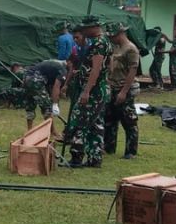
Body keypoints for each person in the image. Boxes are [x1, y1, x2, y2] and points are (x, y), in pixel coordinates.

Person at [68, 15, 112, 168]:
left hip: (92, 91)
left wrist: (87, 91)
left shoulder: (99, 44)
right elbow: (107, 67)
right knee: (95, 124)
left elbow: (96, 69)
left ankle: (76, 156)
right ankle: (94, 159)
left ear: (93, 27)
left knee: (79, 121)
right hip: (99, 89)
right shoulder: (105, 41)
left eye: (85, 29)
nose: (83, 31)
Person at [103, 23, 141, 160]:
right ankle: (109, 147)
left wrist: (124, 92)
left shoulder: (131, 49)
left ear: (120, 34)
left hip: (124, 88)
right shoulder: (117, 48)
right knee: (110, 119)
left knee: (128, 120)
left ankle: (131, 151)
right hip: (113, 87)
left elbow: (132, 71)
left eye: (112, 36)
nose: (111, 39)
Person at [19, 58, 66, 131]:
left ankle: (29, 131)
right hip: (36, 80)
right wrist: (55, 104)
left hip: (27, 77)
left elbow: (50, 87)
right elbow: (56, 87)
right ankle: (53, 132)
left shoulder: (56, 64)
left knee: (30, 105)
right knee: (47, 107)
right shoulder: (63, 69)